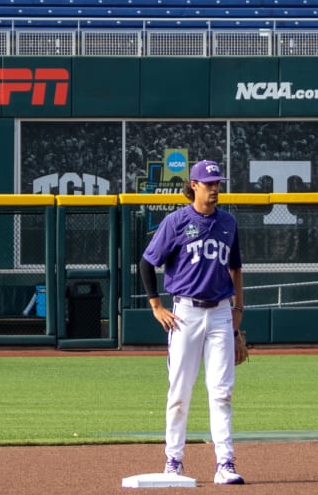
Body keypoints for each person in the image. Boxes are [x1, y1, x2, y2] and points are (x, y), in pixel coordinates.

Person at [139, 159, 245, 485]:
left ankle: (225, 463)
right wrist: (156, 305)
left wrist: (238, 317)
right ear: (194, 186)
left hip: (220, 314)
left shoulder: (228, 222)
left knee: (222, 391)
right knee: (179, 391)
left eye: (217, 183)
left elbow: (236, 269)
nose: (215, 188)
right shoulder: (176, 221)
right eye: (209, 183)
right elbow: (146, 262)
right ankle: (174, 460)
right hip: (185, 313)